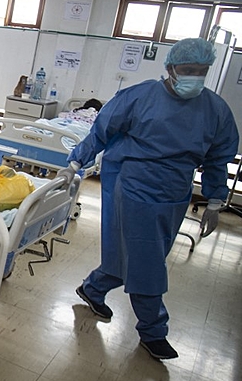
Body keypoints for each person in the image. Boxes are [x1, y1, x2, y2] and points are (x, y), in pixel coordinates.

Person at [57, 37, 239, 360]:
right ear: (170, 68)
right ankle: (153, 331)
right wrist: (76, 161)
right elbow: (102, 128)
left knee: (132, 255)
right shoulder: (140, 97)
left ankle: (94, 288)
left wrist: (214, 200)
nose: (194, 76)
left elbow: (218, 157)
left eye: (201, 70)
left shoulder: (215, 110)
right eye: (187, 69)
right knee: (147, 263)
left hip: (176, 192)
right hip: (134, 184)